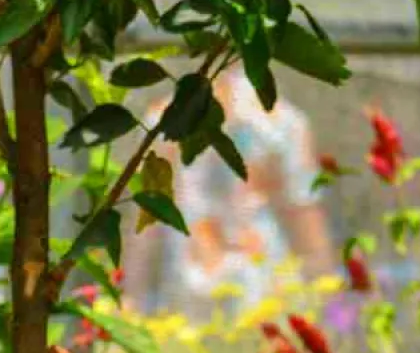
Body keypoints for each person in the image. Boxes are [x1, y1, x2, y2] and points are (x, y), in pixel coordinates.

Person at [121, 72, 335, 316]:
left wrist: (327, 302)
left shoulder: (282, 123)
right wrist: (131, 298)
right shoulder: (165, 122)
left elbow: (307, 223)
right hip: (193, 295)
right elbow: (146, 224)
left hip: (264, 294)